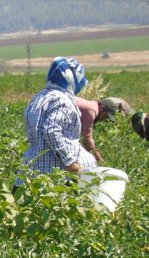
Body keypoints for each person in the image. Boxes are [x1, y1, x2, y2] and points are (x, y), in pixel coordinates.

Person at [15, 57, 95, 189]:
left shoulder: (39, 98)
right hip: (55, 176)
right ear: (72, 79)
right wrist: (70, 163)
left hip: (32, 170)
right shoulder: (62, 101)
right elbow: (52, 130)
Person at [75, 97, 118, 162]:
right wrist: (99, 159)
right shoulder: (91, 111)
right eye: (106, 116)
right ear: (101, 108)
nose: (104, 119)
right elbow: (87, 139)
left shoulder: (92, 105)